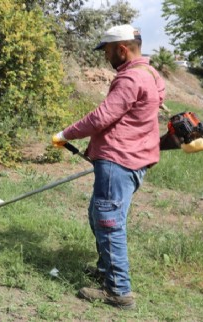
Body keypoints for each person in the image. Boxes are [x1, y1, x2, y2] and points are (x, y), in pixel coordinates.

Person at [52, 24, 166, 310]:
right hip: (132, 159)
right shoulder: (152, 74)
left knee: (108, 222)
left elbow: (102, 116)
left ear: (122, 49)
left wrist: (65, 134)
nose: (105, 57)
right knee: (98, 214)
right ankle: (107, 271)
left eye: (107, 51)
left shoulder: (130, 79)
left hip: (119, 162)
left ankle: (119, 292)